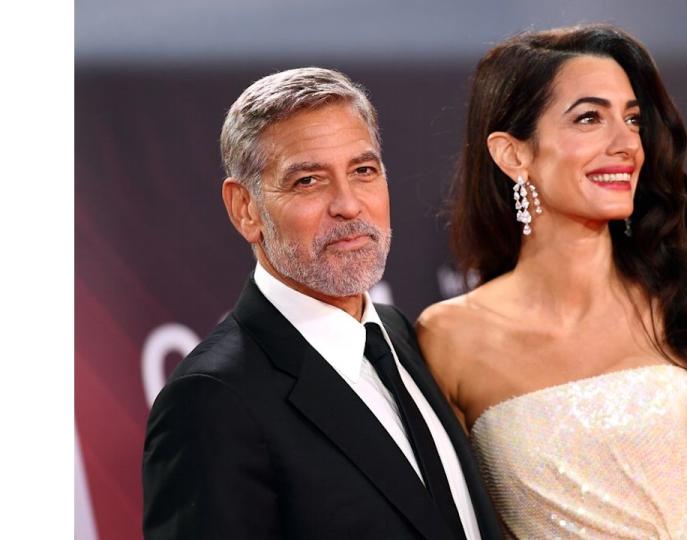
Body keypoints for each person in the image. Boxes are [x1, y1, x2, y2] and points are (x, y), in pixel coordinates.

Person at [417, 25, 687, 539]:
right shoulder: (449, 338)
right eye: (589, 118)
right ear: (513, 154)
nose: (626, 143)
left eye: (631, 119)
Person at [141, 67, 503, 539]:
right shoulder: (211, 401)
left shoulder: (399, 335)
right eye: (308, 181)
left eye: (363, 171)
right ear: (245, 209)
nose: (349, 205)